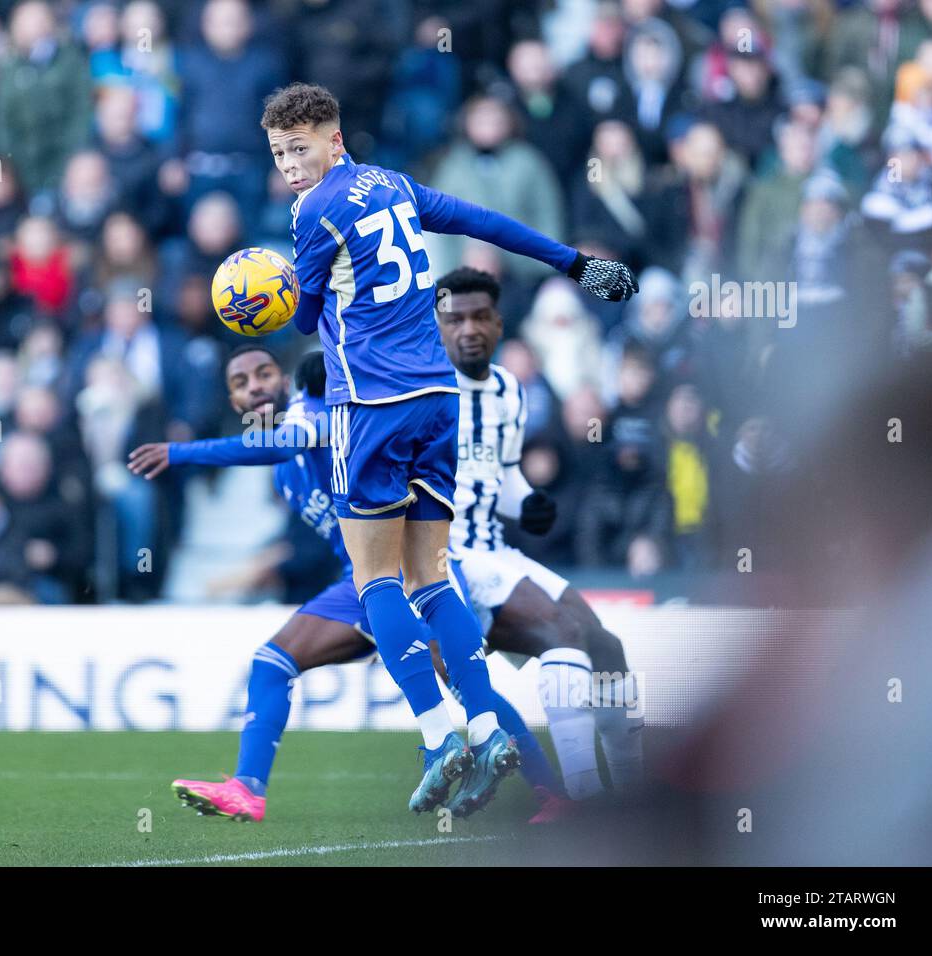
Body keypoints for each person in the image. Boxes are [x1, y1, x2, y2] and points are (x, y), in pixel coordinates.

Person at [261, 82, 636, 812]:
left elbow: (304, 315)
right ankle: (491, 726)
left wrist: (266, 295)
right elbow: (484, 222)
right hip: (437, 402)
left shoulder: (312, 212)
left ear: (334, 141)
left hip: (370, 407)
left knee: (378, 586)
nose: (290, 167)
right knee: (431, 578)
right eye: (279, 154)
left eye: (300, 149)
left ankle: (440, 735)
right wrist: (573, 263)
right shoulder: (395, 186)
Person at [128, 346, 568, 823]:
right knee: (273, 662)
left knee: (462, 685)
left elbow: (283, 441)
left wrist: (180, 453)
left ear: (286, 380)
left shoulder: (317, 411)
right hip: (360, 582)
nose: (254, 385)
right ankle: (247, 789)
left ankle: (546, 791)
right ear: (232, 400)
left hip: (403, 569)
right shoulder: (283, 474)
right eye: (240, 382)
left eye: (263, 373)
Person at [435, 267, 645, 799]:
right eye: (454, 318)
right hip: (447, 556)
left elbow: (503, 475)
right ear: (438, 325)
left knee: (605, 645)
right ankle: (584, 797)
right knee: (561, 635)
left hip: (496, 548)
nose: (468, 328)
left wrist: (527, 501)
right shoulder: (421, 388)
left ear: (499, 322)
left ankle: (631, 791)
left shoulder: (508, 388)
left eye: (479, 316)